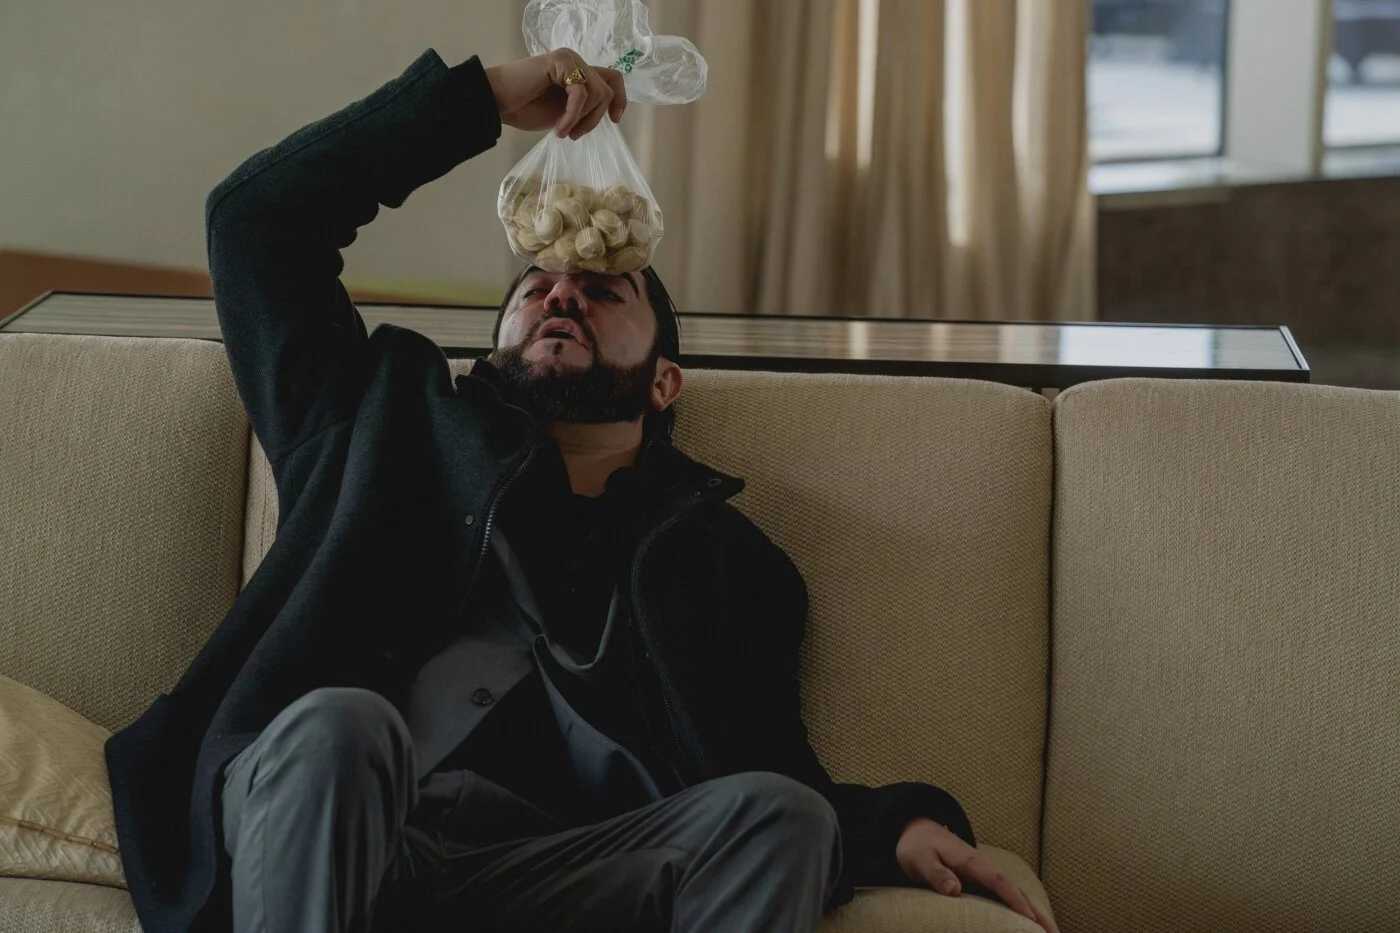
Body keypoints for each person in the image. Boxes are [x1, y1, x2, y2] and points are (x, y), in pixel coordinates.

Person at [105, 47, 1058, 933]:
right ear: (496, 347)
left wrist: (896, 823)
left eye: (606, 291)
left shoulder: (728, 562)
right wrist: (479, 98)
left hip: (550, 869)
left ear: (665, 379)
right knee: (341, 723)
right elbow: (255, 223)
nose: (562, 294)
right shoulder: (379, 421)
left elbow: (764, 771)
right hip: (333, 816)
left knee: (783, 819)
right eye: (535, 287)